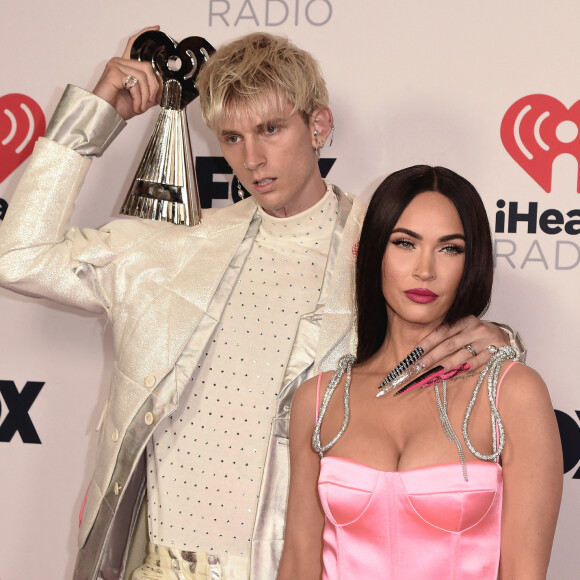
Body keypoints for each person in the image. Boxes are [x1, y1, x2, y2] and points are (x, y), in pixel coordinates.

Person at [0, 29, 520, 580]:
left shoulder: (379, 255)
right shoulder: (172, 250)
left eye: (270, 129)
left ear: (318, 125)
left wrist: (501, 340)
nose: (252, 158)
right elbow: (18, 256)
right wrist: (97, 112)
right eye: (231, 137)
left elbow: (449, 347)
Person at [278, 165, 562, 580]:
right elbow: (298, 565)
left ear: (472, 262)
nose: (424, 269)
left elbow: (525, 572)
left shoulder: (512, 393)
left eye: (450, 248)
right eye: (405, 243)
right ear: (374, 250)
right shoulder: (318, 400)